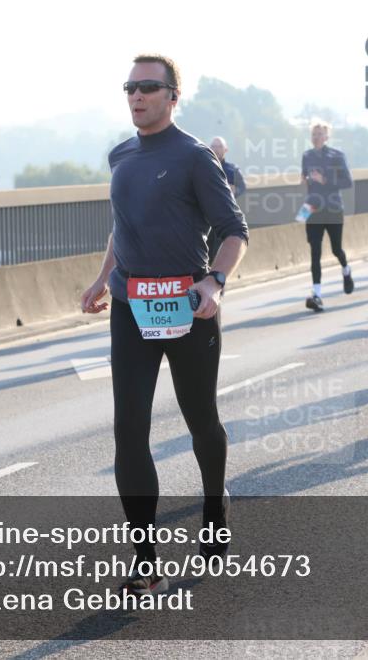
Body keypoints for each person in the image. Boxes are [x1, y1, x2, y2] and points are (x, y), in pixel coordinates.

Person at [81, 54, 249, 595]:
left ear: (173, 96)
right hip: (132, 306)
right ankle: (144, 556)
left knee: (201, 418)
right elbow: (120, 228)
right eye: (130, 87)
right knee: (129, 430)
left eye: (149, 87)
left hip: (188, 305)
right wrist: (103, 279)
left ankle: (215, 512)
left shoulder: (195, 158)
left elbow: (233, 231)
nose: (137, 96)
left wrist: (214, 283)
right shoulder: (121, 154)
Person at [300, 120, 354, 311]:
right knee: (315, 252)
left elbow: (348, 182)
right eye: (314, 134)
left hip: (333, 208)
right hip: (313, 208)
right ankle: (317, 294)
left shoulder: (337, 156)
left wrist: (324, 180)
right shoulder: (306, 156)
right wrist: (306, 180)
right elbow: (305, 177)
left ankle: (346, 269)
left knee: (336, 249)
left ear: (327, 136)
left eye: (320, 134)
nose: (317, 137)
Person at [207, 136, 247, 264]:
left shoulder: (232, 169)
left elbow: (242, 187)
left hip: (224, 217)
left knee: (218, 253)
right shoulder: (203, 167)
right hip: (205, 218)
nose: (216, 149)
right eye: (213, 146)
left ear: (226, 150)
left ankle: (215, 280)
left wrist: (234, 192)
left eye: (219, 147)